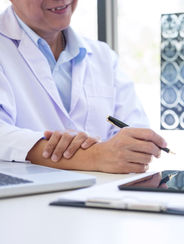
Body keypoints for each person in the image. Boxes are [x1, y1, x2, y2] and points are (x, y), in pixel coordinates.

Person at [0, 0, 167, 173]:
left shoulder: (103, 56)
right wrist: (93, 156)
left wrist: (133, 148)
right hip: (25, 197)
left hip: (106, 194)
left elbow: (135, 130)